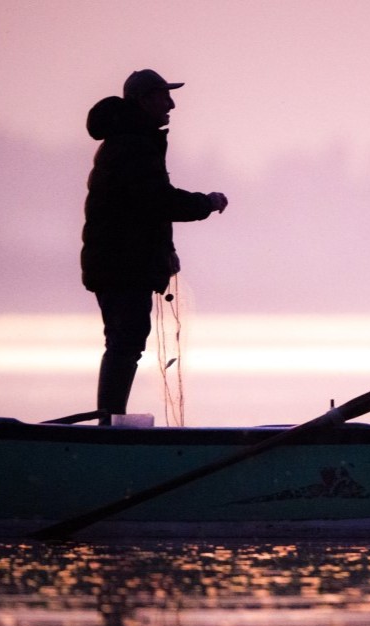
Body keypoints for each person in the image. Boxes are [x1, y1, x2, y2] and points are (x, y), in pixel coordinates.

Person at [81, 69, 228, 423]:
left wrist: (166, 252)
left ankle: (109, 421)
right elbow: (157, 201)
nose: (171, 105)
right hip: (121, 264)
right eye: (164, 96)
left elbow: (143, 209)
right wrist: (206, 202)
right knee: (125, 341)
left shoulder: (131, 140)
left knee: (124, 341)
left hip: (120, 262)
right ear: (144, 100)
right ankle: (108, 424)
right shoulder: (133, 144)